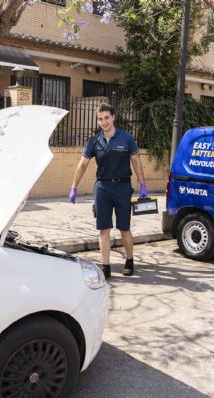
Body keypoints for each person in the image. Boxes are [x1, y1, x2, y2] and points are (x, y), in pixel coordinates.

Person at [69, 102, 147, 278]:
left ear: (113, 117)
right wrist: (74, 186)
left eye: (106, 118)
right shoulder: (94, 141)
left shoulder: (126, 138)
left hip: (123, 187)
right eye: (100, 119)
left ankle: (129, 260)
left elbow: (136, 161)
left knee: (124, 228)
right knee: (104, 229)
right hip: (103, 188)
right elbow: (82, 165)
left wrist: (143, 184)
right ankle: (106, 266)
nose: (104, 122)